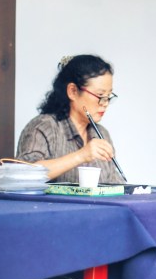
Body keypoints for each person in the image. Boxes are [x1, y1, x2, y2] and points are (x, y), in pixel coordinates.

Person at [16, 54, 126, 184]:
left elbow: (115, 184)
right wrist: (81, 155)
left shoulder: (102, 134)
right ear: (73, 91)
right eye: (100, 95)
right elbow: (23, 174)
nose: (105, 103)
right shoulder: (44, 127)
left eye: (109, 96)